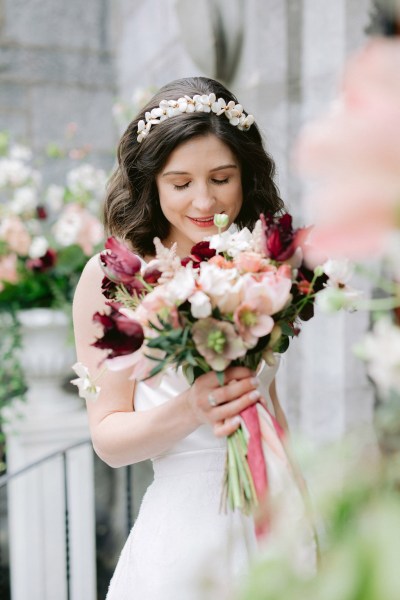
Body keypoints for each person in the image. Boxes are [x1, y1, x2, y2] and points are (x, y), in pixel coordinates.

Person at [72, 77, 294, 600]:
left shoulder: (261, 261)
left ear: (247, 175)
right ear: (151, 183)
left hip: (275, 511)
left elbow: (269, 405)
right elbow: (107, 438)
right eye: (180, 183)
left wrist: (302, 503)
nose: (204, 199)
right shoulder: (113, 278)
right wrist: (195, 407)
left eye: (222, 177)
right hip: (187, 535)